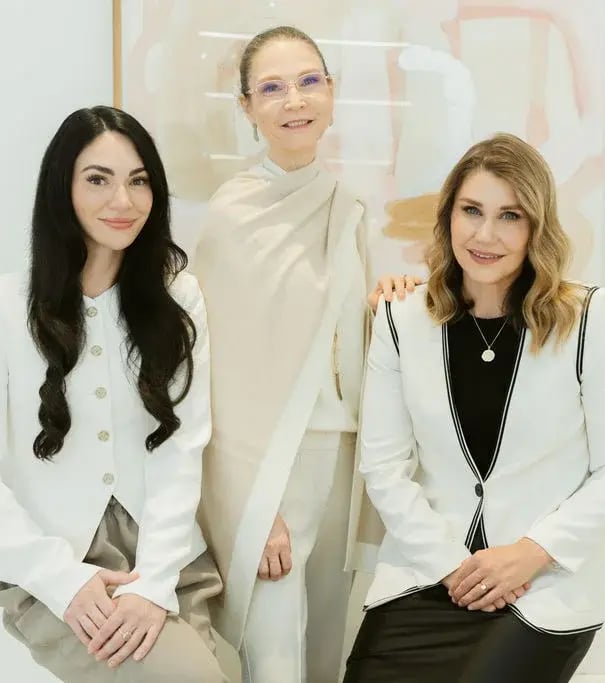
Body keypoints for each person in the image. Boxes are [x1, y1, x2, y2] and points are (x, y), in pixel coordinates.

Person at [346, 132, 605, 682]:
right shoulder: (400, 319)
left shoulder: (587, 317)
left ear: (536, 226)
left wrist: (532, 552)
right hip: (425, 577)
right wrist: (452, 566)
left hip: (539, 587)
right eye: (471, 211)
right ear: (448, 217)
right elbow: (383, 467)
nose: (486, 235)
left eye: (510, 216)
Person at [0, 105, 226, 683]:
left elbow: (183, 448)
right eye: (98, 179)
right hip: (55, 567)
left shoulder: (180, 298)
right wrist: (62, 580)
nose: (122, 201)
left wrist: (153, 584)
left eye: (139, 180)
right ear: (62, 189)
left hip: (168, 558)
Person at [192, 25, 417, 683]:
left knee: (325, 653)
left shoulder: (347, 208)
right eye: (272, 87)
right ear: (247, 108)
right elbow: (216, 380)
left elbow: (344, 337)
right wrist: (251, 509)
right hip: (269, 469)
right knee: (275, 659)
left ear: (331, 91)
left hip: (341, 457)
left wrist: (387, 304)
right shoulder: (231, 217)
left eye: (308, 81)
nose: (295, 100)